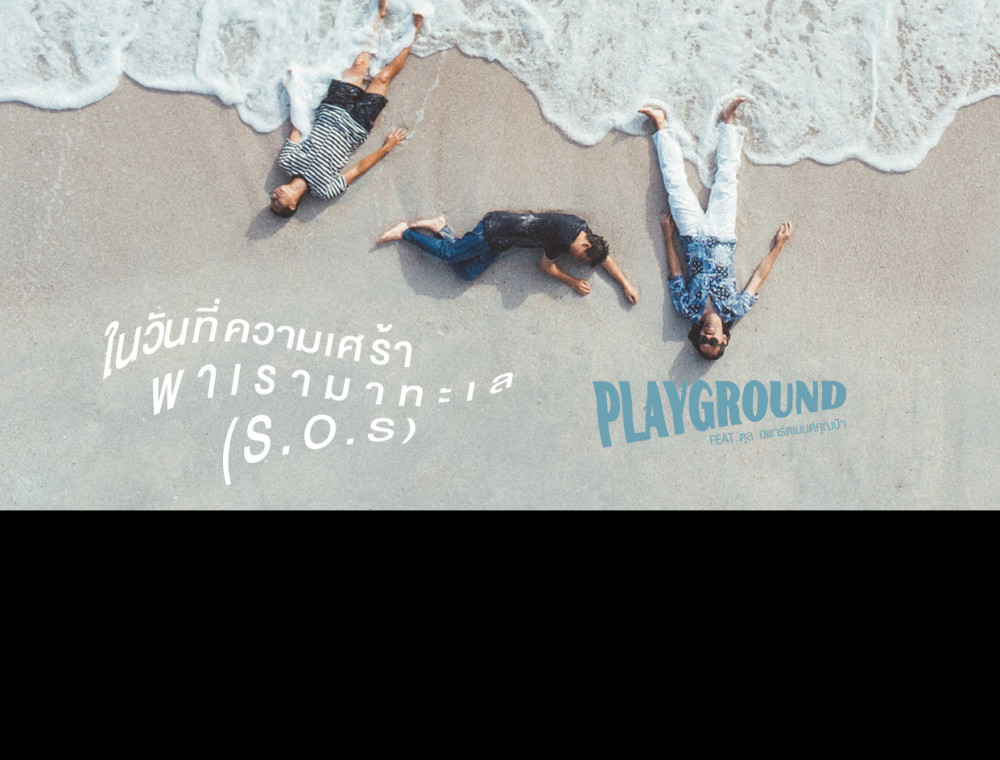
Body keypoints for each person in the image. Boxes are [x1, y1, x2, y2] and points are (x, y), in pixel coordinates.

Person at [639, 98, 792, 360]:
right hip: (722, 234)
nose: (708, 336)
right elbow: (758, 277)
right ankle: (728, 120)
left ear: (697, 335)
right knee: (727, 179)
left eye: (703, 340)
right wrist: (779, 245)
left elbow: (675, 275)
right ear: (724, 339)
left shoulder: (686, 309)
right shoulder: (736, 308)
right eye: (714, 341)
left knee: (674, 183)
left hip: (690, 234)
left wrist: (667, 236)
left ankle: (660, 123)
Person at [269, 2, 422, 217]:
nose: (274, 196)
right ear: (292, 205)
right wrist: (387, 147)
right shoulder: (324, 191)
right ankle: (414, 30)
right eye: (277, 203)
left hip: (332, 108)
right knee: (383, 77)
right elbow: (357, 169)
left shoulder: (286, 162)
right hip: (358, 126)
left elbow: (297, 127)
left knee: (360, 62)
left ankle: (379, 16)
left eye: (272, 198)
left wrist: (294, 88)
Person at [376, 212, 639, 303]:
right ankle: (405, 233)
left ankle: (441, 228)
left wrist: (625, 284)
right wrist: (572, 280)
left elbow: (603, 257)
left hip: (503, 242)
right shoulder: (562, 239)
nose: (577, 260)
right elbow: (545, 265)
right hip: (492, 231)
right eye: (581, 258)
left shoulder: (583, 231)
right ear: (584, 245)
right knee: (450, 254)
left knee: (466, 272)